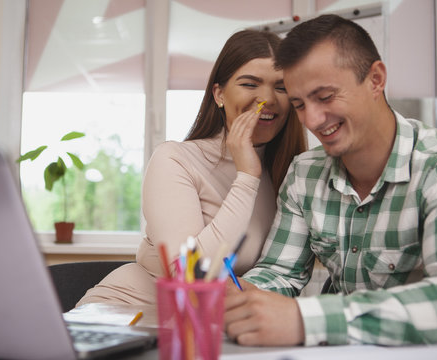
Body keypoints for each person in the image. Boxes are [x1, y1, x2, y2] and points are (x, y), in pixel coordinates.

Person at [224, 14, 437, 347]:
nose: (312, 120)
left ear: (376, 79)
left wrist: (305, 320)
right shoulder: (304, 173)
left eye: (324, 97)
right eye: (299, 104)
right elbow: (281, 271)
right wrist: (247, 296)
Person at [76, 29, 307, 305]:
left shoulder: (291, 176)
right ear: (219, 94)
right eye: (249, 84)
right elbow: (188, 275)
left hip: (215, 325)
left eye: (281, 87)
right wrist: (246, 177)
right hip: (127, 314)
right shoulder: (174, 159)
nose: (267, 98)